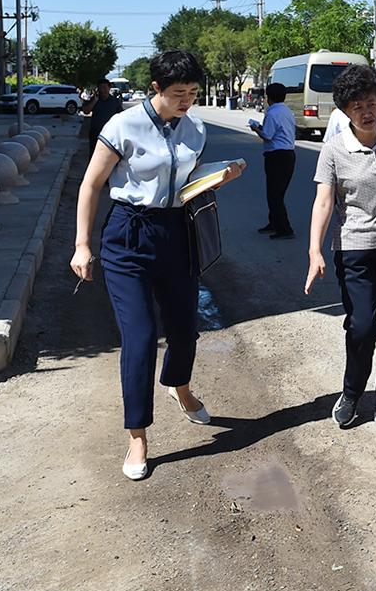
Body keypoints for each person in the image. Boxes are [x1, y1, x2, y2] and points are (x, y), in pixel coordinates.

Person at [71, 51, 245, 481]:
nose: (186, 101)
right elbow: (92, 184)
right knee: (142, 337)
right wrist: (81, 244)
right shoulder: (123, 125)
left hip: (176, 233)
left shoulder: (196, 128)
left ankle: (179, 387)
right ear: (156, 89)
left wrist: (219, 176)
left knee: (185, 329)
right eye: (178, 93)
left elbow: (186, 181)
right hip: (128, 236)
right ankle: (138, 435)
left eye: (193, 93)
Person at [305, 65, 376, 434]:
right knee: (363, 326)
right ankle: (352, 393)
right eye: (357, 107)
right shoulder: (334, 149)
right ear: (345, 111)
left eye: (371, 103)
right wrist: (315, 251)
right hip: (355, 249)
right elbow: (324, 201)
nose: (367, 112)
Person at [251, 82, 297, 239]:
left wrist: (256, 129)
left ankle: (285, 229)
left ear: (268, 97)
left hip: (277, 156)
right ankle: (274, 223)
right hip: (288, 154)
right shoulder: (287, 111)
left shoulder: (272, 113)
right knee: (277, 193)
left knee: (274, 194)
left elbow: (268, 135)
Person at [82, 79, 124, 151]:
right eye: (100, 88)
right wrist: (95, 100)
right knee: (94, 154)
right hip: (96, 133)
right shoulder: (93, 100)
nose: (102, 90)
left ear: (109, 88)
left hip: (111, 134)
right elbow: (86, 111)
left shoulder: (115, 101)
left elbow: (121, 116)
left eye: (104, 88)